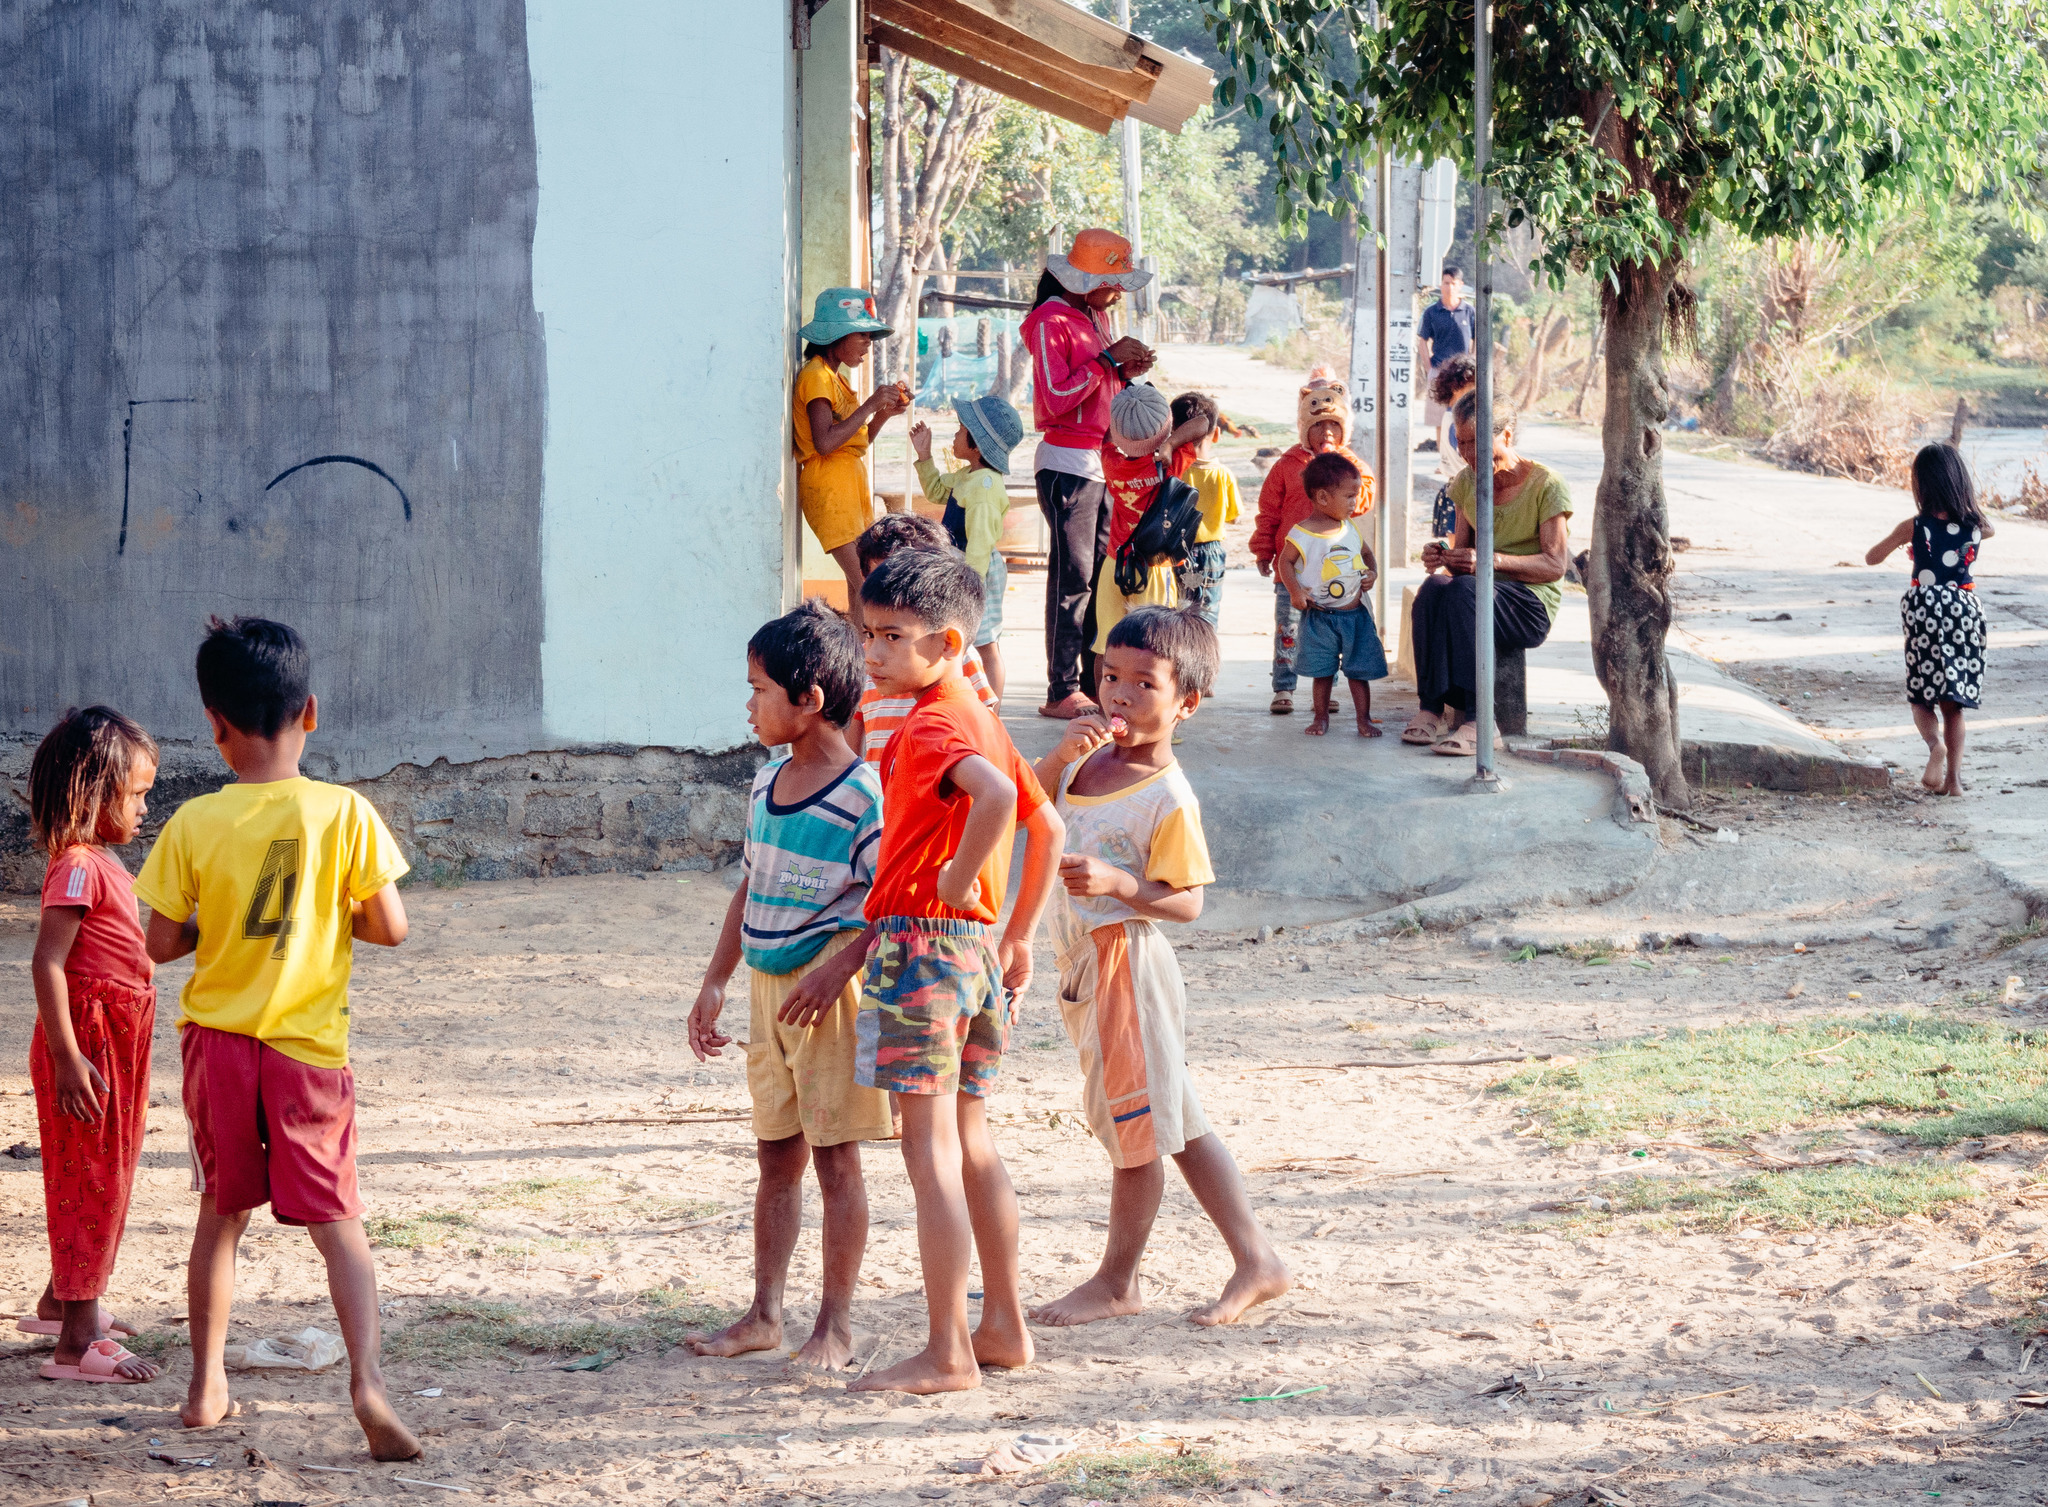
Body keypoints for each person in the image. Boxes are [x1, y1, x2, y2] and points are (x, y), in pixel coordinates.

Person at [135, 617, 418, 1457]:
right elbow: (391, 926)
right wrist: (338, 909)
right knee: (340, 1223)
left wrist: (210, 931)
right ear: (312, 712)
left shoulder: (192, 823)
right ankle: (367, 1380)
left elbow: (160, 941)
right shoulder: (346, 813)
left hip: (219, 1045)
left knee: (221, 1213)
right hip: (307, 1051)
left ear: (214, 726)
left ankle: (205, 1384)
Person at [1029, 607, 1290, 1329]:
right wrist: (1055, 758)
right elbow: (1032, 808)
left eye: (1145, 683)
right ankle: (1257, 1257)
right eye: (1111, 676)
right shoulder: (1087, 759)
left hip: (1127, 965)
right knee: (1173, 1115)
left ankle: (1117, 1280)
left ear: (1186, 703)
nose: (1120, 694)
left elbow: (1189, 902)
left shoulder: (1169, 796)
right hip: (1084, 960)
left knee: (1137, 1126)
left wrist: (1120, 884)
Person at [849, 549, 1065, 1394]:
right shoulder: (979, 712)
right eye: (868, 633)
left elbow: (1004, 804)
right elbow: (1045, 826)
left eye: (893, 637)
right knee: (971, 1139)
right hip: (974, 949)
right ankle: (1002, 1323)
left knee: (929, 1149)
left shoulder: (935, 722)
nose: (872, 653)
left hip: (922, 942)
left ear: (945, 642)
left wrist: (950, 876)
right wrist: (1018, 934)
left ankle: (946, 1351)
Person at [685, 601, 893, 1370]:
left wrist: (841, 966)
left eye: (760, 688)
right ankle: (764, 1313)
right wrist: (714, 982)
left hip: (828, 997)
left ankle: (835, 1326)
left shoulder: (863, 797)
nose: (749, 704)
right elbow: (750, 886)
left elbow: (892, 902)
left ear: (809, 698)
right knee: (777, 1155)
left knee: (837, 1158)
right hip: (768, 990)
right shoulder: (767, 781)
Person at [22, 707, 163, 1384]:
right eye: (134, 793)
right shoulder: (76, 864)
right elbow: (47, 961)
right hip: (88, 1043)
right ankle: (77, 1343)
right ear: (93, 792)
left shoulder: (104, 862)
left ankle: (61, 1300)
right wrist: (66, 1054)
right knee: (93, 1181)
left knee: (104, 1178)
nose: (144, 805)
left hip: (116, 1040)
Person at [1019, 229, 1157, 719]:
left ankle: (1087, 680)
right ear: (1084, 281)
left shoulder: (1093, 315)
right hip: (1067, 464)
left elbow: (1100, 385)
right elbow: (1057, 396)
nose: (1119, 292)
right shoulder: (1048, 321)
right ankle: (1060, 690)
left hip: (1101, 461)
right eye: (1113, 282)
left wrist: (1127, 368)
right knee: (1072, 579)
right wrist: (1107, 359)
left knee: (1099, 578)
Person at [1405, 396, 1572, 758]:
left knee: (1468, 589)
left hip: (1529, 604)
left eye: (1474, 443)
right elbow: (1460, 563)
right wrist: (1443, 555)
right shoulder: (1466, 482)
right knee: (1434, 588)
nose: (1465, 453)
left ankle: (1482, 721)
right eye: (1459, 441)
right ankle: (1431, 708)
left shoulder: (1546, 484)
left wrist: (1489, 560)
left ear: (1506, 436)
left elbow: (1555, 565)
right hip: (1480, 592)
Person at [1865, 442, 1993, 796]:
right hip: (1964, 610)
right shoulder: (1976, 524)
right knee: (1954, 704)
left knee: (1921, 697)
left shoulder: (1915, 525)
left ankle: (1934, 746)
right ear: (1960, 483)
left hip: (1925, 611)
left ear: (1921, 485)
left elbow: (1871, 557)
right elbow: (1990, 530)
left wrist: (1910, 546)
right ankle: (1954, 782)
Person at [1249, 373, 1372, 715]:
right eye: (1318, 427)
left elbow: (1366, 493)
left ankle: (1325, 688)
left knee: (1328, 633)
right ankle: (1284, 688)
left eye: (1334, 425)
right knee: (1288, 630)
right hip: (1292, 572)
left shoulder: (1348, 464)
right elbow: (1269, 511)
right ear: (1304, 428)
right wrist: (1263, 550)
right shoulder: (1287, 466)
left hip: (1333, 572)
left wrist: (1342, 473)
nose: (1327, 433)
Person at [794, 288, 911, 631]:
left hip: (848, 488)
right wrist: (871, 404)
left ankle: (861, 669)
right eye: (863, 335)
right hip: (830, 492)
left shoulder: (835, 378)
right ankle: (863, 668)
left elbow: (857, 441)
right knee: (867, 585)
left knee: (859, 583)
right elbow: (825, 443)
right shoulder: (815, 376)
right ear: (837, 336)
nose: (868, 343)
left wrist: (884, 413)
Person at [845, 515, 1001, 765]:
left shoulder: (952, 653)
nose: (892, 593)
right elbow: (849, 749)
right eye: (881, 580)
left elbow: (986, 730)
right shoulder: (864, 660)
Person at [914, 394, 1024, 703]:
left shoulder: (985, 487)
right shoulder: (969, 476)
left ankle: (992, 716)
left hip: (978, 572)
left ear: (975, 445)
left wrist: (969, 584)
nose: (954, 435)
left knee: (986, 644)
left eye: (960, 430)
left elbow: (979, 544)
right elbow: (937, 490)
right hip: (964, 570)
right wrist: (924, 456)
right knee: (967, 639)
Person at [1278, 452, 1387, 737]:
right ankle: (1321, 718)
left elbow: (1367, 555)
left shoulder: (1349, 528)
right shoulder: (1301, 534)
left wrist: (1371, 574)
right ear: (1323, 498)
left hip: (1356, 616)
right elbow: (1284, 562)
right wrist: (1295, 590)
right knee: (1322, 672)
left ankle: (1364, 719)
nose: (1355, 503)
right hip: (1320, 617)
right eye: (1350, 496)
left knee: (1359, 672)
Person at [1091, 384, 1187, 656]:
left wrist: (1124, 405)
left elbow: (1109, 435)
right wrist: (1169, 443)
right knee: (1157, 646)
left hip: (1116, 562)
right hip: (1154, 566)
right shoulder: (1171, 462)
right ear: (1165, 428)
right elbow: (1203, 423)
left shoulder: (1110, 460)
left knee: (1106, 647)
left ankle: (1104, 700)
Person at [1169, 391, 1241, 627]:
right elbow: (1233, 516)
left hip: (1177, 550)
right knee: (1207, 612)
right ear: (1217, 434)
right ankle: (1204, 656)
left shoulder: (1176, 471)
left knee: (1179, 610)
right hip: (1211, 552)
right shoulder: (1224, 475)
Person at [1418, 265, 1475, 451]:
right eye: (1445, 283)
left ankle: (1462, 455)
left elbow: (1477, 339)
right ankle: (1443, 456)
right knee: (1440, 417)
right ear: (1441, 285)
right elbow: (1422, 341)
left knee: (1464, 414)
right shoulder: (1431, 312)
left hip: (1464, 374)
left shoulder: (1469, 311)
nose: (1449, 287)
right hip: (1440, 371)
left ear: (1460, 285)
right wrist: (1429, 369)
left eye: (1453, 283)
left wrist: (1472, 363)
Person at [1427, 354, 1478, 513]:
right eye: (1472, 389)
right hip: (1462, 492)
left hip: (1454, 488)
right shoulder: (1458, 421)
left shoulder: (1450, 416)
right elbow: (1466, 456)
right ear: (1456, 388)